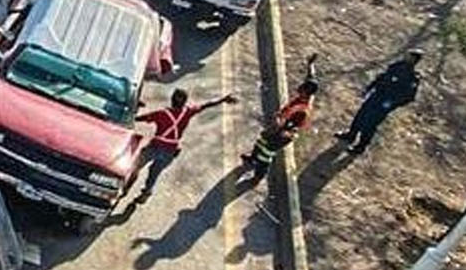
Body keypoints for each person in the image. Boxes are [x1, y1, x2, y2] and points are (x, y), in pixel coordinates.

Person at [135, 87, 238, 196]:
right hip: (170, 152)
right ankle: (147, 192)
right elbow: (206, 105)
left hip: (154, 147)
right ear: (185, 102)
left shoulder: (162, 113)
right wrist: (223, 99)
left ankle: (126, 185)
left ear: (172, 99)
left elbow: (142, 118)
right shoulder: (187, 112)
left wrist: (131, 117)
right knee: (154, 173)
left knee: (135, 165)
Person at [241, 54, 319, 183]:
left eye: (302, 89)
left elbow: (289, 128)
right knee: (260, 142)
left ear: (307, 92)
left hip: (282, 134)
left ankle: (258, 176)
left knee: (266, 154)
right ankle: (253, 158)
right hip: (279, 126)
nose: (299, 88)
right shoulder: (307, 94)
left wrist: (276, 126)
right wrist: (310, 64)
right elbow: (311, 76)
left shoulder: (302, 111)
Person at [336, 50, 423, 155]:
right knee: (361, 115)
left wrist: (391, 104)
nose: (405, 56)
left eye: (409, 56)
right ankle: (351, 135)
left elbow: (408, 97)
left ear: (413, 59)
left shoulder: (412, 77)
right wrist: (370, 88)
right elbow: (382, 77)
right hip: (377, 95)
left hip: (384, 103)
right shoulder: (397, 66)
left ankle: (360, 146)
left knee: (370, 124)